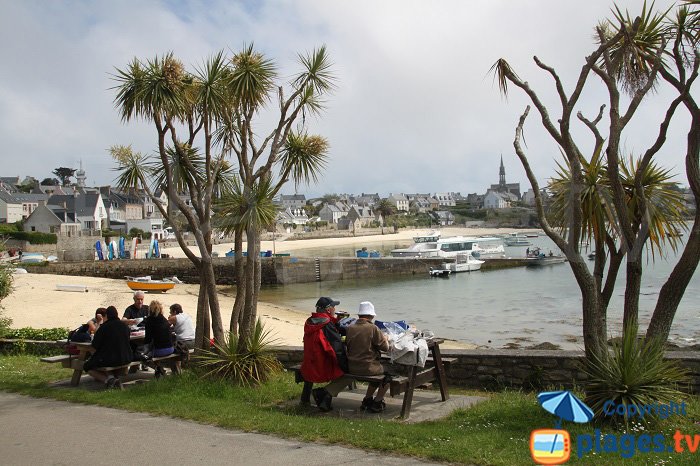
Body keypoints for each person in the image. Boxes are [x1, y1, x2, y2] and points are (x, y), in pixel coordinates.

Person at [301, 297, 348, 412]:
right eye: (334, 306)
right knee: (348, 373)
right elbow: (337, 348)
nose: (335, 309)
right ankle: (324, 396)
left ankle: (306, 399)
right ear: (328, 309)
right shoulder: (327, 324)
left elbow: (322, 327)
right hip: (321, 367)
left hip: (309, 365)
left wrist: (336, 320)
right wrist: (345, 365)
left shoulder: (309, 322)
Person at [345, 301, 391, 413]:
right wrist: (386, 338)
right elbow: (385, 348)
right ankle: (378, 401)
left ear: (359, 315)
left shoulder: (350, 328)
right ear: (371, 315)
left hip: (352, 366)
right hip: (368, 368)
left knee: (377, 372)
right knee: (390, 375)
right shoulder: (373, 328)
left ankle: (367, 399)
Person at [83, 306, 133, 389]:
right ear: (117, 315)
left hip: (110, 359)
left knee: (87, 366)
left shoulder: (104, 328)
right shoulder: (125, 326)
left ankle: (108, 380)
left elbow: (94, 346)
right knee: (103, 359)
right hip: (126, 357)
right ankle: (111, 377)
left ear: (107, 315)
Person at [143, 300, 174, 377]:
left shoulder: (149, 320)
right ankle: (159, 368)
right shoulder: (164, 319)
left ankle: (158, 367)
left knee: (142, 353)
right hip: (170, 349)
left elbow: (148, 339)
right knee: (152, 348)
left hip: (160, 351)